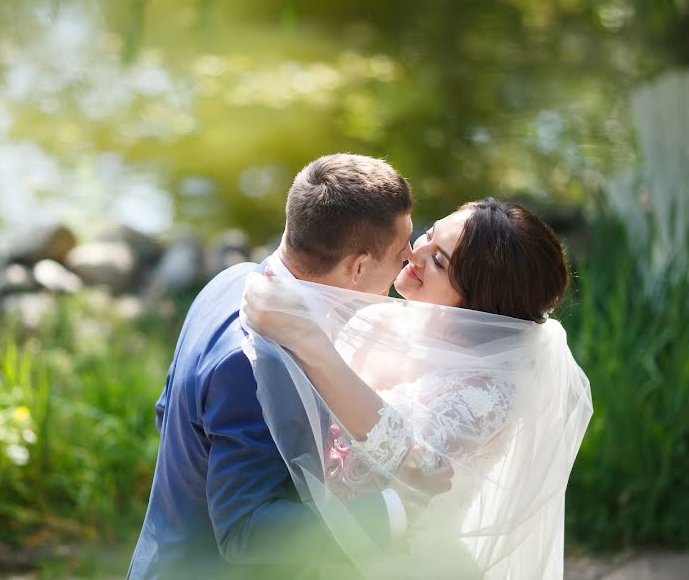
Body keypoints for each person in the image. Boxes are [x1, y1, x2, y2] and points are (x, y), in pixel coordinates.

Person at [127, 154, 446, 579]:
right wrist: (394, 510)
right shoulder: (252, 362)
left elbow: (168, 412)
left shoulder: (231, 279)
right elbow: (244, 533)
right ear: (358, 266)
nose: (410, 259)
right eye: (401, 250)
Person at [241, 198, 593, 579]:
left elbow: (416, 461)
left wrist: (306, 337)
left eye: (439, 261)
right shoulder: (377, 318)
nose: (413, 252)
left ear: (479, 303)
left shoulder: (490, 394)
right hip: (318, 548)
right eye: (428, 234)